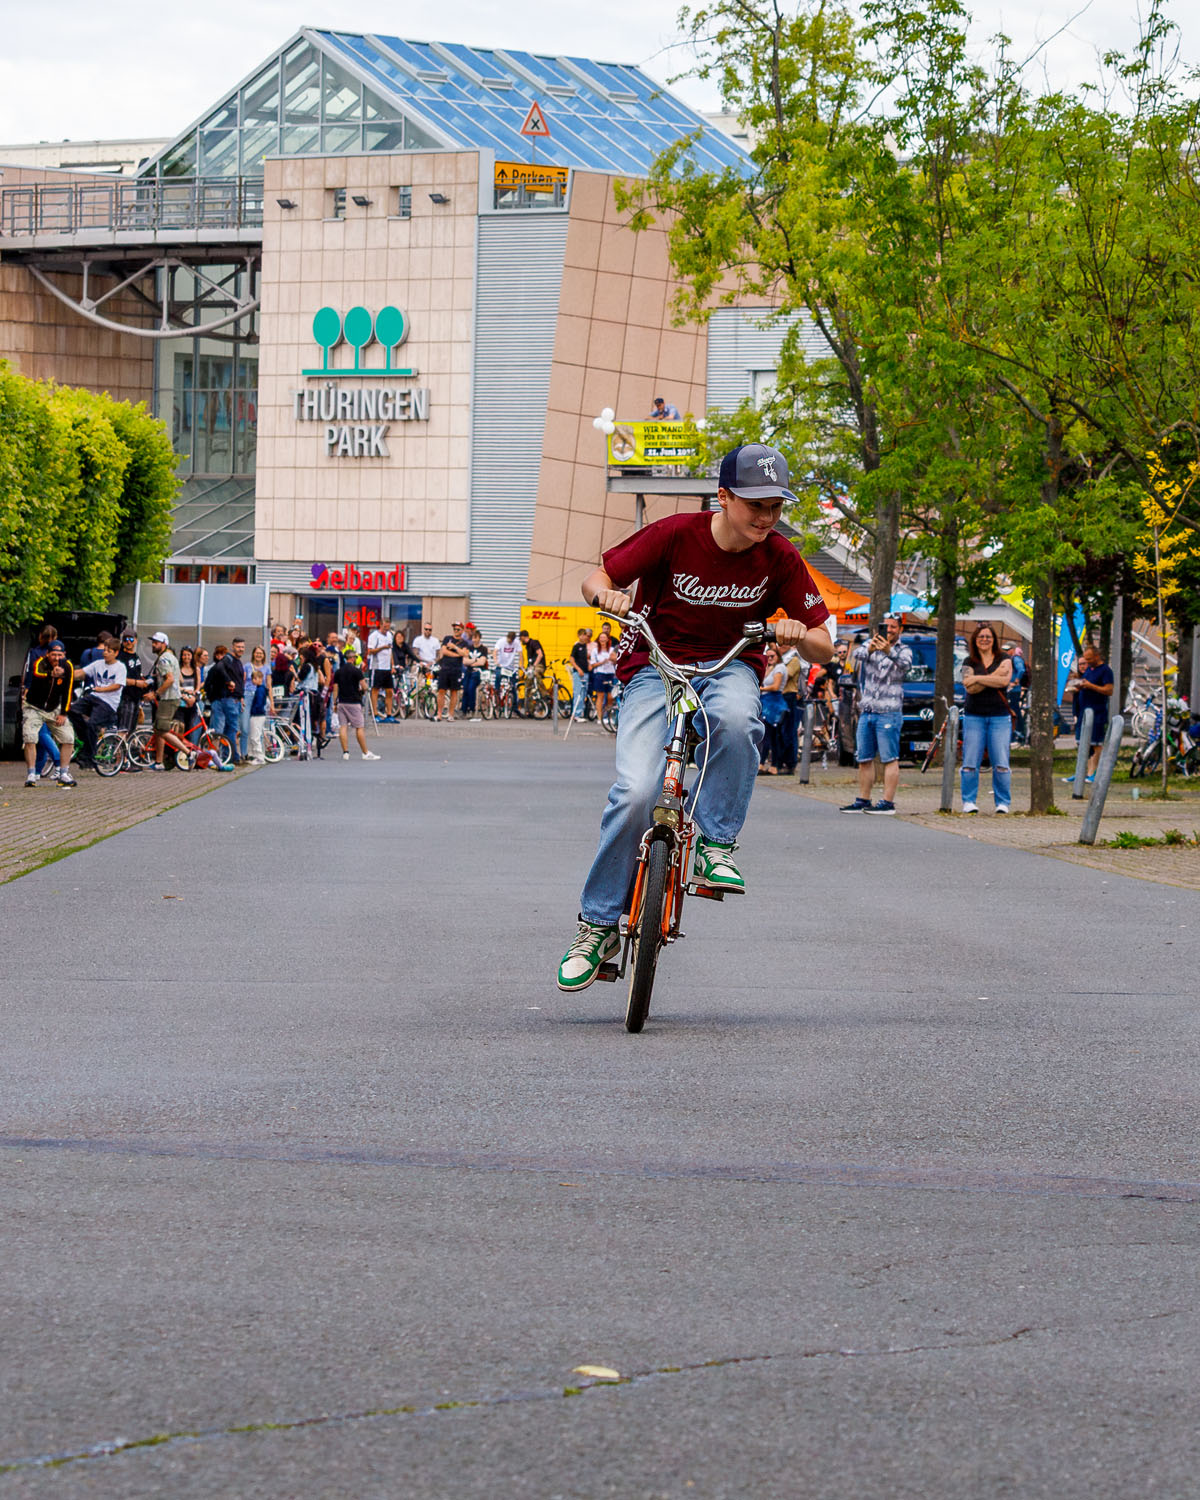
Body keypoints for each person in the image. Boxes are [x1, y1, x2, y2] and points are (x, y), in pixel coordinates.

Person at [557, 441, 833, 992]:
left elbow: (824, 643)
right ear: (723, 497)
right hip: (655, 665)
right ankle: (598, 926)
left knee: (737, 719)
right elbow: (596, 579)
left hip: (729, 667)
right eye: (756, 505)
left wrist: (799, 635)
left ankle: (715, 845)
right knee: (636, 792)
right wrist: (606, 597)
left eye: (776, 506)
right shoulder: (674, 534)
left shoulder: (780, 557)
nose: (767, 517)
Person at [841, 615, 912, 815]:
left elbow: (906, 665)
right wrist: (872, 648)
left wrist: (888, 651)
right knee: (864, 758)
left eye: (893, 627)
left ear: (900, 630)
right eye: (885, 626)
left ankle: (887, 802)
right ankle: (863, 799)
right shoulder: (869, 646)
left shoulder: (904, 649)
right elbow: (857, 655)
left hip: (889, 711)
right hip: (867, 711)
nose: (888, 630)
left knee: (890, 758)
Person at [960, 622, 1013, 814]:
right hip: (974, 715)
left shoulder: (1005, 658)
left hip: (1000, 716)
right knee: (970, 761)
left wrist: (977, 678)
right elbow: (969, 688)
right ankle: (968, 801)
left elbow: (1004, 681)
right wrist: (994, 677)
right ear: (975, 639)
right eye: (981, 636)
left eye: (988, 637)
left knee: (1001, 762)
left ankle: (1003, 802)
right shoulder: (968, 661)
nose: (984, 640)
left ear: (994, 640)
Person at [22, 640, 76, 788]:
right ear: (47, 654)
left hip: (54, 708)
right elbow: (37, 674)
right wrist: (51, 675)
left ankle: (63, 773)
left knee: (68, 737)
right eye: (53, 655)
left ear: (64, 654)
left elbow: (68, 690)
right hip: (34, 707)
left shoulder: (68, 666)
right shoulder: (40, 662)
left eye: (60, 655)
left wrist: (64, 713)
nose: (56, 658)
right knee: (30, 737)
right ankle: (31, 774)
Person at [1063, 642, 1114, 784]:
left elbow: (1109, 690)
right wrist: (1078, 687)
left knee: (1095, 742)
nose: (1087, 662)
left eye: (1089, 659)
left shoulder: (1105, 671)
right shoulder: (1090, 670)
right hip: (1083, 712)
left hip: (1096, 712)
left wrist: (1090, 686)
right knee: (1082, 742)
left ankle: (1093, 773)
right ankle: (1081, 772)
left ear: (1097, 656)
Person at [73, 638, 127, 763]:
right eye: (104, 650)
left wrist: (101, 689)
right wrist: (66, 673)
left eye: (109, 651)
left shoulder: (120, 667)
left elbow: (117, 685)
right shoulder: (98, 664)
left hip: (108, 703)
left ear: (116, 653)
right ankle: (85, 737)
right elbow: (81, 672)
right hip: (94, 697)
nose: (105, 653)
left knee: (93, 723)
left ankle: (89, 756)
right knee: (72, 710)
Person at [146, 631, 192, 771]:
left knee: (162, 730)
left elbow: (170, 679)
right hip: (172, 697)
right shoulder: (170, 657)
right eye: (153, 642)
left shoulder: (164, 659)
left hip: (168, 698)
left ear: (164, 644)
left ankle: (189, 753)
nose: (153, 645)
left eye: (156, 642)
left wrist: (155, 694)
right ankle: (159, 762)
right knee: (158, 729)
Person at [331, 648, 381, 760]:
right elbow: (364, 686)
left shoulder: (338, 672)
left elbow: (335, 688)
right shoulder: (357, 671)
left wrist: (335, 702)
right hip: (354, 701)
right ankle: (365, 752)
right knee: (359, 727)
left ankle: (345, 752)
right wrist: (363, 690)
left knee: (343, 726)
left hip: (342, 702)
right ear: (353, 658)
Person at [116, 630, 151, 733]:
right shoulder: (120, 657)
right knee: (123, 729)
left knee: (132, 730)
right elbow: (118, 678)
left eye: (131, 639)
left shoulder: (136, 656)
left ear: (136, 640)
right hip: (125, 697)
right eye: (126, 639)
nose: (128, 642)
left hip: (136, 697)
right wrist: (136, 682)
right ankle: (121, 744)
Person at [436, 622, 467, 720]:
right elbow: (444, 651)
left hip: (456, 669)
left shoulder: (464, 643)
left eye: (458, 629)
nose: (456, 631)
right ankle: (439, 714)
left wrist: (455, 647)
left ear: (462, 630)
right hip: (445, 668)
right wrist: (457, 654)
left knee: (454, 691)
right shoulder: (447, 638)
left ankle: (451, 714)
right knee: (441, 690)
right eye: (454, 629)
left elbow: (465, 653)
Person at [367, 619, 396, 720]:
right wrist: (382, 648)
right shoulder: (374, 636)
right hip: (377, 666)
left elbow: (390, 651)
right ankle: (375, 713)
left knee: (389, 690)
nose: (386, 629)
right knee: (375, 689)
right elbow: (370, 651)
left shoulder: (389, 635)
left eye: (388, 627)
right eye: (384, 627)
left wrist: (392, 665)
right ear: (380, 625)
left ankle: (389, 714)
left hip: (387, 667)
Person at [591, 623, 617, 726]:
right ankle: (599, 717)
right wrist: (602, 662)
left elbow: (616, 661)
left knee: (610, 697)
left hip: (610, 674)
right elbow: (593, 664)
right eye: (601, 638)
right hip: (600, 674)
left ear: (607, 639)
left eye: (604, 638)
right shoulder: (595, 651)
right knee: (600, 696)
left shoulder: (611, 650)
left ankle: (606, 715)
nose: (602, 640)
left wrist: (612, 659)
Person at [247, 669, 271, 763]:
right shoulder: (261, 689)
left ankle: (259, 758)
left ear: (260, 678)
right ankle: (255, 756)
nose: (253, 680)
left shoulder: (260, 690)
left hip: (257, 714)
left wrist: (254, 710)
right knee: (255, 735)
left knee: (255, 736)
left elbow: (259, 703)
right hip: (259, 714)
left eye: (254, 678)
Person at [176, 646, 202, 732]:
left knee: (190, 727)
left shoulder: (196, 669)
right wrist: (184, 695)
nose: (186, 657)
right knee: (180, 727)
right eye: (184, 655)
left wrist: (193, 696)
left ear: (192, 656)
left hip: (192, 700)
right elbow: (176, 685)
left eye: (188, 655)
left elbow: (198, 686)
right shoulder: (178, 669)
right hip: (180, 701)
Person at [1007, 644, 1029, 744]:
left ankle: (1018, 733)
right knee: (1015, 710)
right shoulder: (1013, 658)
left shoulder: (1015, 659)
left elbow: (1021, 669)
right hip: (1012, 689)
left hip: (1013, 689)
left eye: (1008, 649)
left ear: (1013, 650)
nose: (1006, 651)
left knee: (1014, 711)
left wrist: (1016, 681)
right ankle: (1018, 733)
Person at [568, 627, 591, 721]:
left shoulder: (587, 646)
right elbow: (571, 659)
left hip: (586, 672)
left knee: (583, 694)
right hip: (578, 673)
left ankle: (580, 713)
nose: (584, 637)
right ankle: (576, 714)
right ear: (579, 636)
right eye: (583, 635)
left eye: (585, 635)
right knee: (578, 694)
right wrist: (578, 669)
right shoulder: (577, 646)